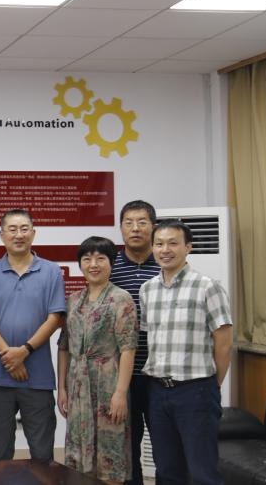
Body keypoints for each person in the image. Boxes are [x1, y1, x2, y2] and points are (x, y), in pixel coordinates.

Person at [141, 220, 232, 485]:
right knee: (166, 469)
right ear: (152, 248)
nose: (165, 250)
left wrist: (211, 385)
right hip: (157, 391)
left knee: (203, 471)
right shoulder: (148, 289)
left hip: (195, 390)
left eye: (173, 243)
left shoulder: (207, 286)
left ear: (188, 247)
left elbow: (224, 343)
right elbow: (149, 336)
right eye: (159, 244)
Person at [0, 209, 65, 461]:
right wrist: (9, 356)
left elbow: (54, 318)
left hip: (38, 378)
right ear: (2, 235)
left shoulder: (51, 271)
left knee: (42, 454)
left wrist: (24, 351)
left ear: (33, 233)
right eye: (12, 229)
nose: (19, 234)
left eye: (24, 229)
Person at [57, 236, 137, 484]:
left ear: (111, 263)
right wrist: (62, 388)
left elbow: (128, 348)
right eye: (87, 258)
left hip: (108, 384)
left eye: (101, 258)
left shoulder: (121, 298)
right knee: (78, 451)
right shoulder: (73, 300)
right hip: (77, 385)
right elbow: (64, 346)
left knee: (109, 449)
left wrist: (120, 393)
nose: (93, 264)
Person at [110, 199, 160, 485]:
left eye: (142, 222)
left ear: (153, 226)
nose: (135, 228)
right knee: (127, 447)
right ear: (121, 228)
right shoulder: (110, 266)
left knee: (165, 444)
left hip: (160, 373)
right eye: (128, 223)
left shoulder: (167, 262)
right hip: (122, 375)